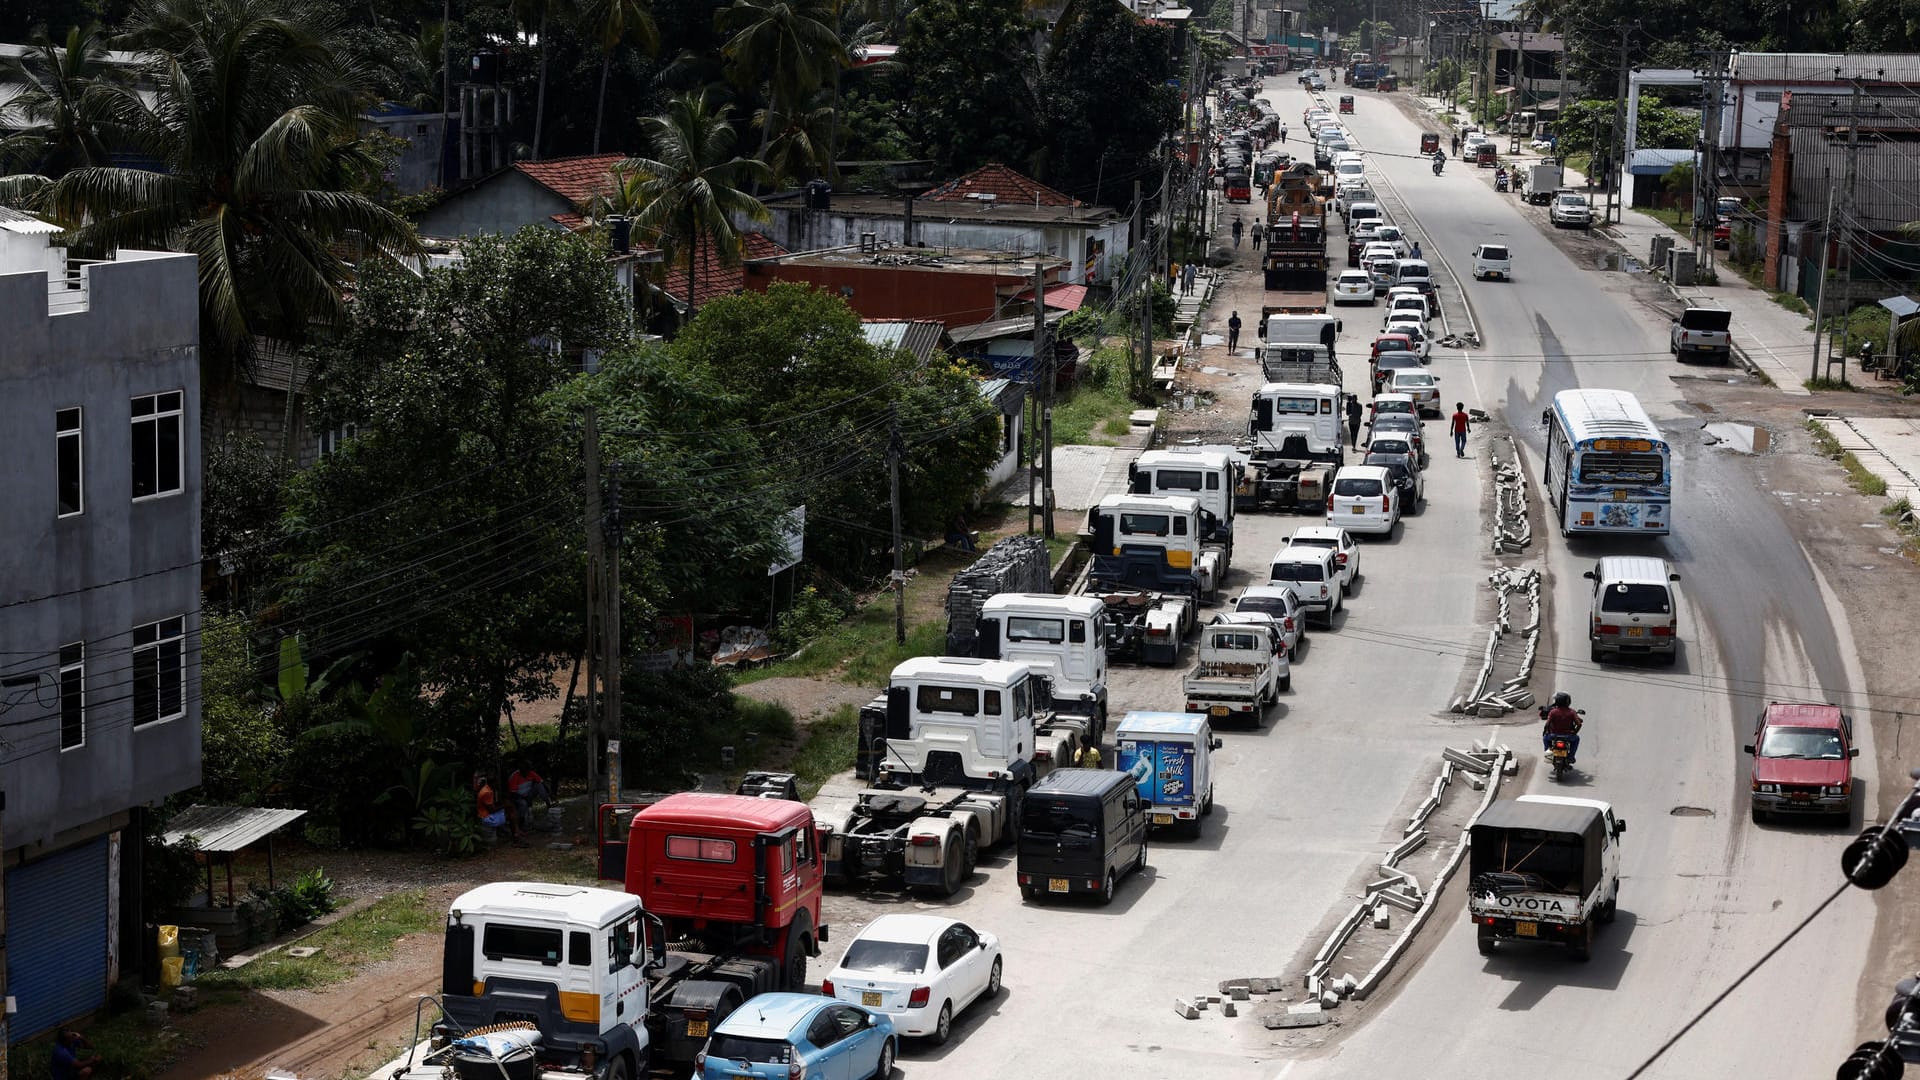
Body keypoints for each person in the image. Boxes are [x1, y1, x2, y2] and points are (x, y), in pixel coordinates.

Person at [507, 760, 553, 832]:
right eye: (525, 771)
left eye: (528, 771)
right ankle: (521, 823)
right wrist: (524, 798)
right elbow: (513, 794)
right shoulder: (514, 776)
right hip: (518, 797)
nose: (527, 773)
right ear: (521, 770)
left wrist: (549, 792)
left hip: (528, 794)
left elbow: (542, 782)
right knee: (523, 804)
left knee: (539, 785)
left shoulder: (531, 773)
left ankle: (549, 806)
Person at [474, 771, 520, 839]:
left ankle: (516, 831)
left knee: (510, 808)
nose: (498, 784)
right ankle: (516, 837)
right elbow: (492, 810)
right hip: (486, 818)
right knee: (510, 813)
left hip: (487, 815)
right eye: (497, 782)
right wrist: (505, 805)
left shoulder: (488, 788)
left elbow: (492, 805)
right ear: (493, 783)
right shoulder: (487, 792)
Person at [1542, 692, 1583, 763]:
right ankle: (1571, 757)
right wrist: (1574, 733)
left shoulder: (1553, 712)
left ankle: (1548, 753)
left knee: (1545, 738)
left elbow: (1547, 724)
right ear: (1568, 702)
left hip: (1553, 736)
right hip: (1568, 736)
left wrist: (1545, 731)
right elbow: (1579, 724)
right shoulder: (1572, 712)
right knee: (1576, 739)